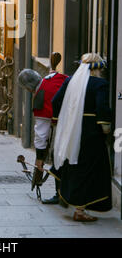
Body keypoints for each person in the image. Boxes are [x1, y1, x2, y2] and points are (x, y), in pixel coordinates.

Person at [52, 53, 112, 222]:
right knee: (89, 169)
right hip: (91, 132)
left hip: (71, 130)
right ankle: (80, 209)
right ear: (98, 68)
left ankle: (69, 199)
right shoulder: (100, 84)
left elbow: (56, 100)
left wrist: (58, 121)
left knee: (74, 164)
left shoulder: (70, 81)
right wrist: (105, 125)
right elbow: (101, 106)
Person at [18, 53, 68, 204]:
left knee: (58, 156)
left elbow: (41, 134)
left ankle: (61, 194)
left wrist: (40, 159)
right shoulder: (54, 77)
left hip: (68, 126)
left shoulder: (40, 97)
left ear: (28, 88)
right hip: (79, 117)